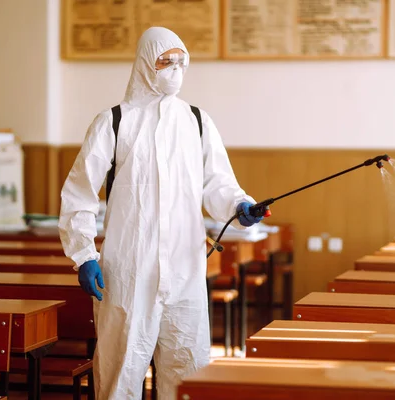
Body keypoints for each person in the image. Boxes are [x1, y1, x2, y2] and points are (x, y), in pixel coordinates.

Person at [58, 27, 266, 400]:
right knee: (121, 372)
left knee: (186, 371)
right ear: (144, 63)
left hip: (184, 271)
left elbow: (218, 184)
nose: (174, 69)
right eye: (165, 61)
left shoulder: (197, 121)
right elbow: (79, 194)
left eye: (181, 61)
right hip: (128, 273)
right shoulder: (113, 122)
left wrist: (239, 206)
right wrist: (84, 255)